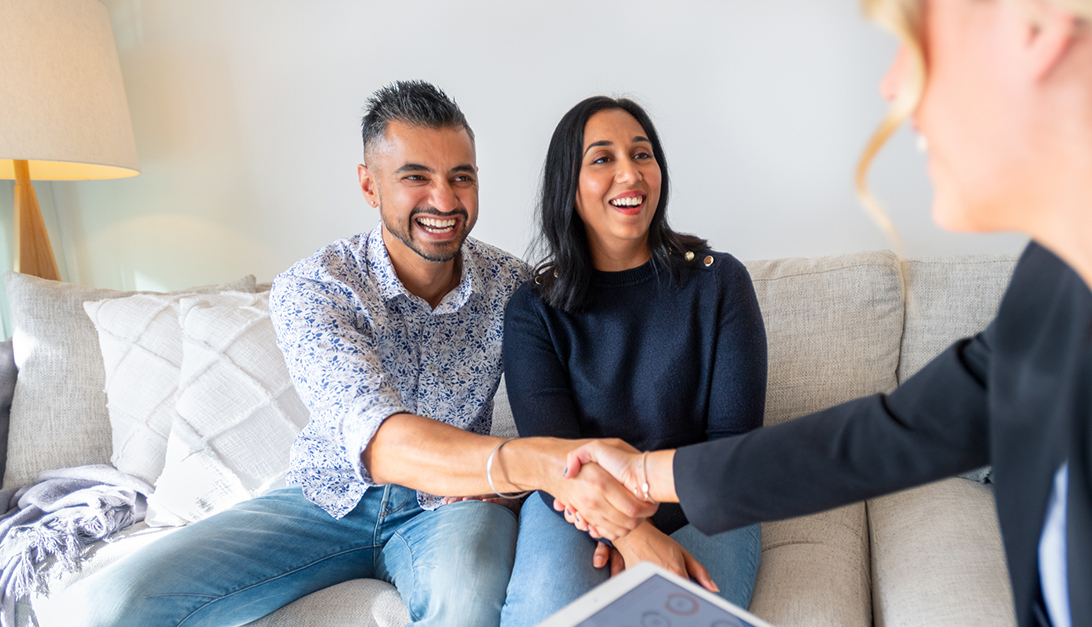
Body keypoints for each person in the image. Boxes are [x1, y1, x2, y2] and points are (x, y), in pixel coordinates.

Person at [560, 1, 1092, 626]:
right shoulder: (1060, 275)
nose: (893, 84)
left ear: (1037, 26)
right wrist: (643, 473)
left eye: (915, 33)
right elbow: (901, 432)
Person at [47, 81, 653, 627]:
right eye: (416, 176)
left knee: (467, 602)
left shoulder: (513, 286)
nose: (444, 199)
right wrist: (536, 464)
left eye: (461, 176)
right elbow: (381, 441)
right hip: (325, 500)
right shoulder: (316, 287)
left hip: (455, 505)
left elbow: (575, 393)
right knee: (112, 603)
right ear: (369, 183)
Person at [498, 96, 765, 625]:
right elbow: (555, 457)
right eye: (602, 159)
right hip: (572, 507)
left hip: (707, 503)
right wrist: (630, 534)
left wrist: (643, 526)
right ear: (567, 188)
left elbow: (730, 450)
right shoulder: (533, 309)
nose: (630, 174)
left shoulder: (720, 283)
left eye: (642, 155)